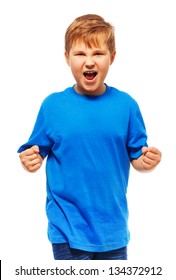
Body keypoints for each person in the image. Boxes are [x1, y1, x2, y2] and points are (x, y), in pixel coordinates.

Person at [17, 14, 161, 260]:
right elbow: (35, 152)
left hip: (113, 230)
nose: (89, 62)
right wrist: (30, 160)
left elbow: (137, 156)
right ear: (67, 58)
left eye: (98, 54)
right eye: (80, 54)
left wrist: (146, 162)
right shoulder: (53, 106)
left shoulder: (127, 106)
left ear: (112, 57)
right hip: (68, 231)